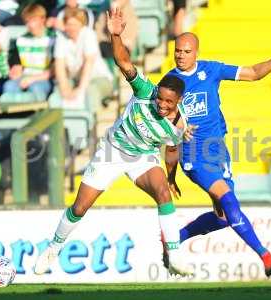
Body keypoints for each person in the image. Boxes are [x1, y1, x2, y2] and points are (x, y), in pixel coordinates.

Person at [34, 7, 196, 277]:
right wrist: (116, 35)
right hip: (113, 151)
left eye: (169, 102)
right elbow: (122, 61)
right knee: (80, 206)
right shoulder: (145, 90)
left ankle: (176, 256)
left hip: (143, 157)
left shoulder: (179, 124)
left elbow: (171, 149)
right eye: (161, 99)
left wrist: (170, 176)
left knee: (163, 194)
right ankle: (54, 247)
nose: (162, 105)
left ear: (178, 101)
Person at [164, 32, 271, 277]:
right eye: (177, 51)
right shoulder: (168, 83)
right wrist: (171, 172)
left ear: (196, 52)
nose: (181, 56)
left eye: (186, 51)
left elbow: (254, 73)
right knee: (230, 201)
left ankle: (174, 238)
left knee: (223, 218)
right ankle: (266, 257)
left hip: (219, 151)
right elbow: (165, 127)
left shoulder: (212, 70)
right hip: (194, 155)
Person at [53, 7, 112, 112]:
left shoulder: (89, 35)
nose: (71, 28)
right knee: (57, 94)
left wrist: (80, 89)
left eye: (74, 25)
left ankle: (90, 123)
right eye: (68, 24)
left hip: (98, 78)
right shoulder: (61, 38)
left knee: (89, 92)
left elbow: (88, 63)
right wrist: (64, 88)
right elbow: (59, 65)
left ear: (81, 24)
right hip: (75, 79)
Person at [3, 3, 54, 100]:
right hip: (25, 77)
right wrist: (15, 71)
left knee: (35, 88)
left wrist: (32, 79)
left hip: (43, 78)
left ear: (42, 19)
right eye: (27, 22)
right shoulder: (22, 40)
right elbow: (17, 64)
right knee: (9, 86)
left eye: (33, 21)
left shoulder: (53, 39)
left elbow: (54, 71)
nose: (30, 25)